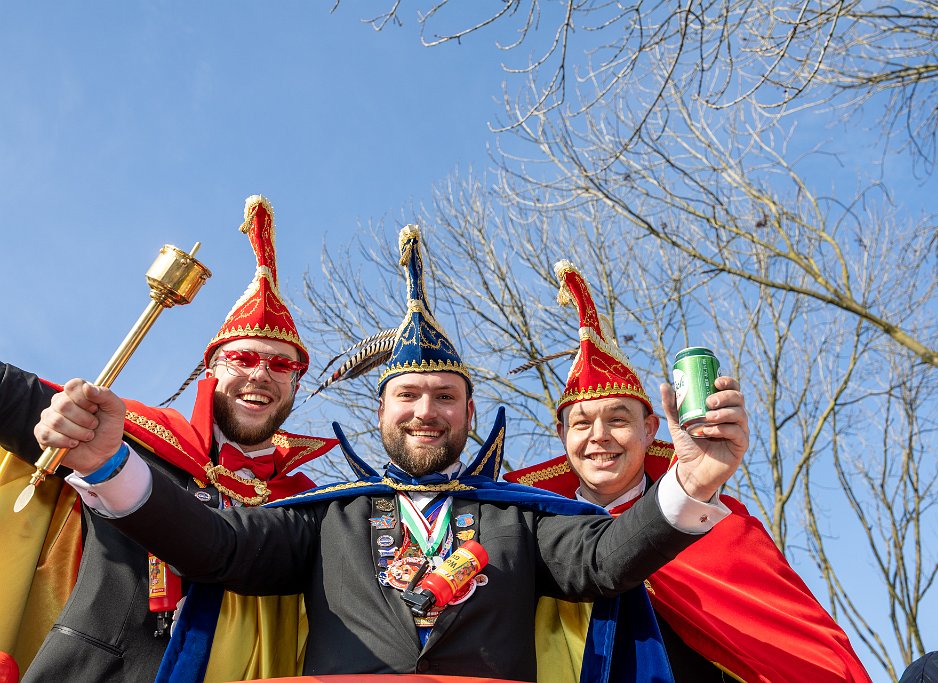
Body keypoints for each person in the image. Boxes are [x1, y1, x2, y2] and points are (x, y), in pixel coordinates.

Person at [33, 226, 750, 682]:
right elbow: (218, 546)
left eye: (445, 397)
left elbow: (606, 560)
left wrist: (691, 481)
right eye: (407, 395)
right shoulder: (325, 518)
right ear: (380, 413)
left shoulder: (526, 521)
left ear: (470, 414)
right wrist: (108, 464)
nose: (426, 411)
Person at [0, 195, 337, 682]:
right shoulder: (130, 437)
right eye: (243, 359)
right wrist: (65, 424)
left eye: (281, 365)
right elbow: (15, 397)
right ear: (210, 370)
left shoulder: (310, 508)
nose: (261, 374)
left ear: (296, 385)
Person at [506, 260, 872, 683]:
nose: (599, 436)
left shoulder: (720, 527)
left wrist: (696, 482)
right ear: (562, 435)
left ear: (649, 429)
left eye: (618, 420)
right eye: (582, 423)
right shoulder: (529, 530)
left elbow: (802, 654)